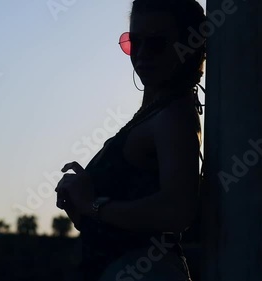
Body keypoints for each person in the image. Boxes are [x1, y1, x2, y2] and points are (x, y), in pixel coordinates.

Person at [55, 0, 206, 280]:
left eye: (157, 43)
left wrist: (93, 205)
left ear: (190, 46)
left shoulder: (173, 115)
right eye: (134, 41)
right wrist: (84, 206)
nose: (143, 54)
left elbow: (178, 210)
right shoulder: (156, 112)